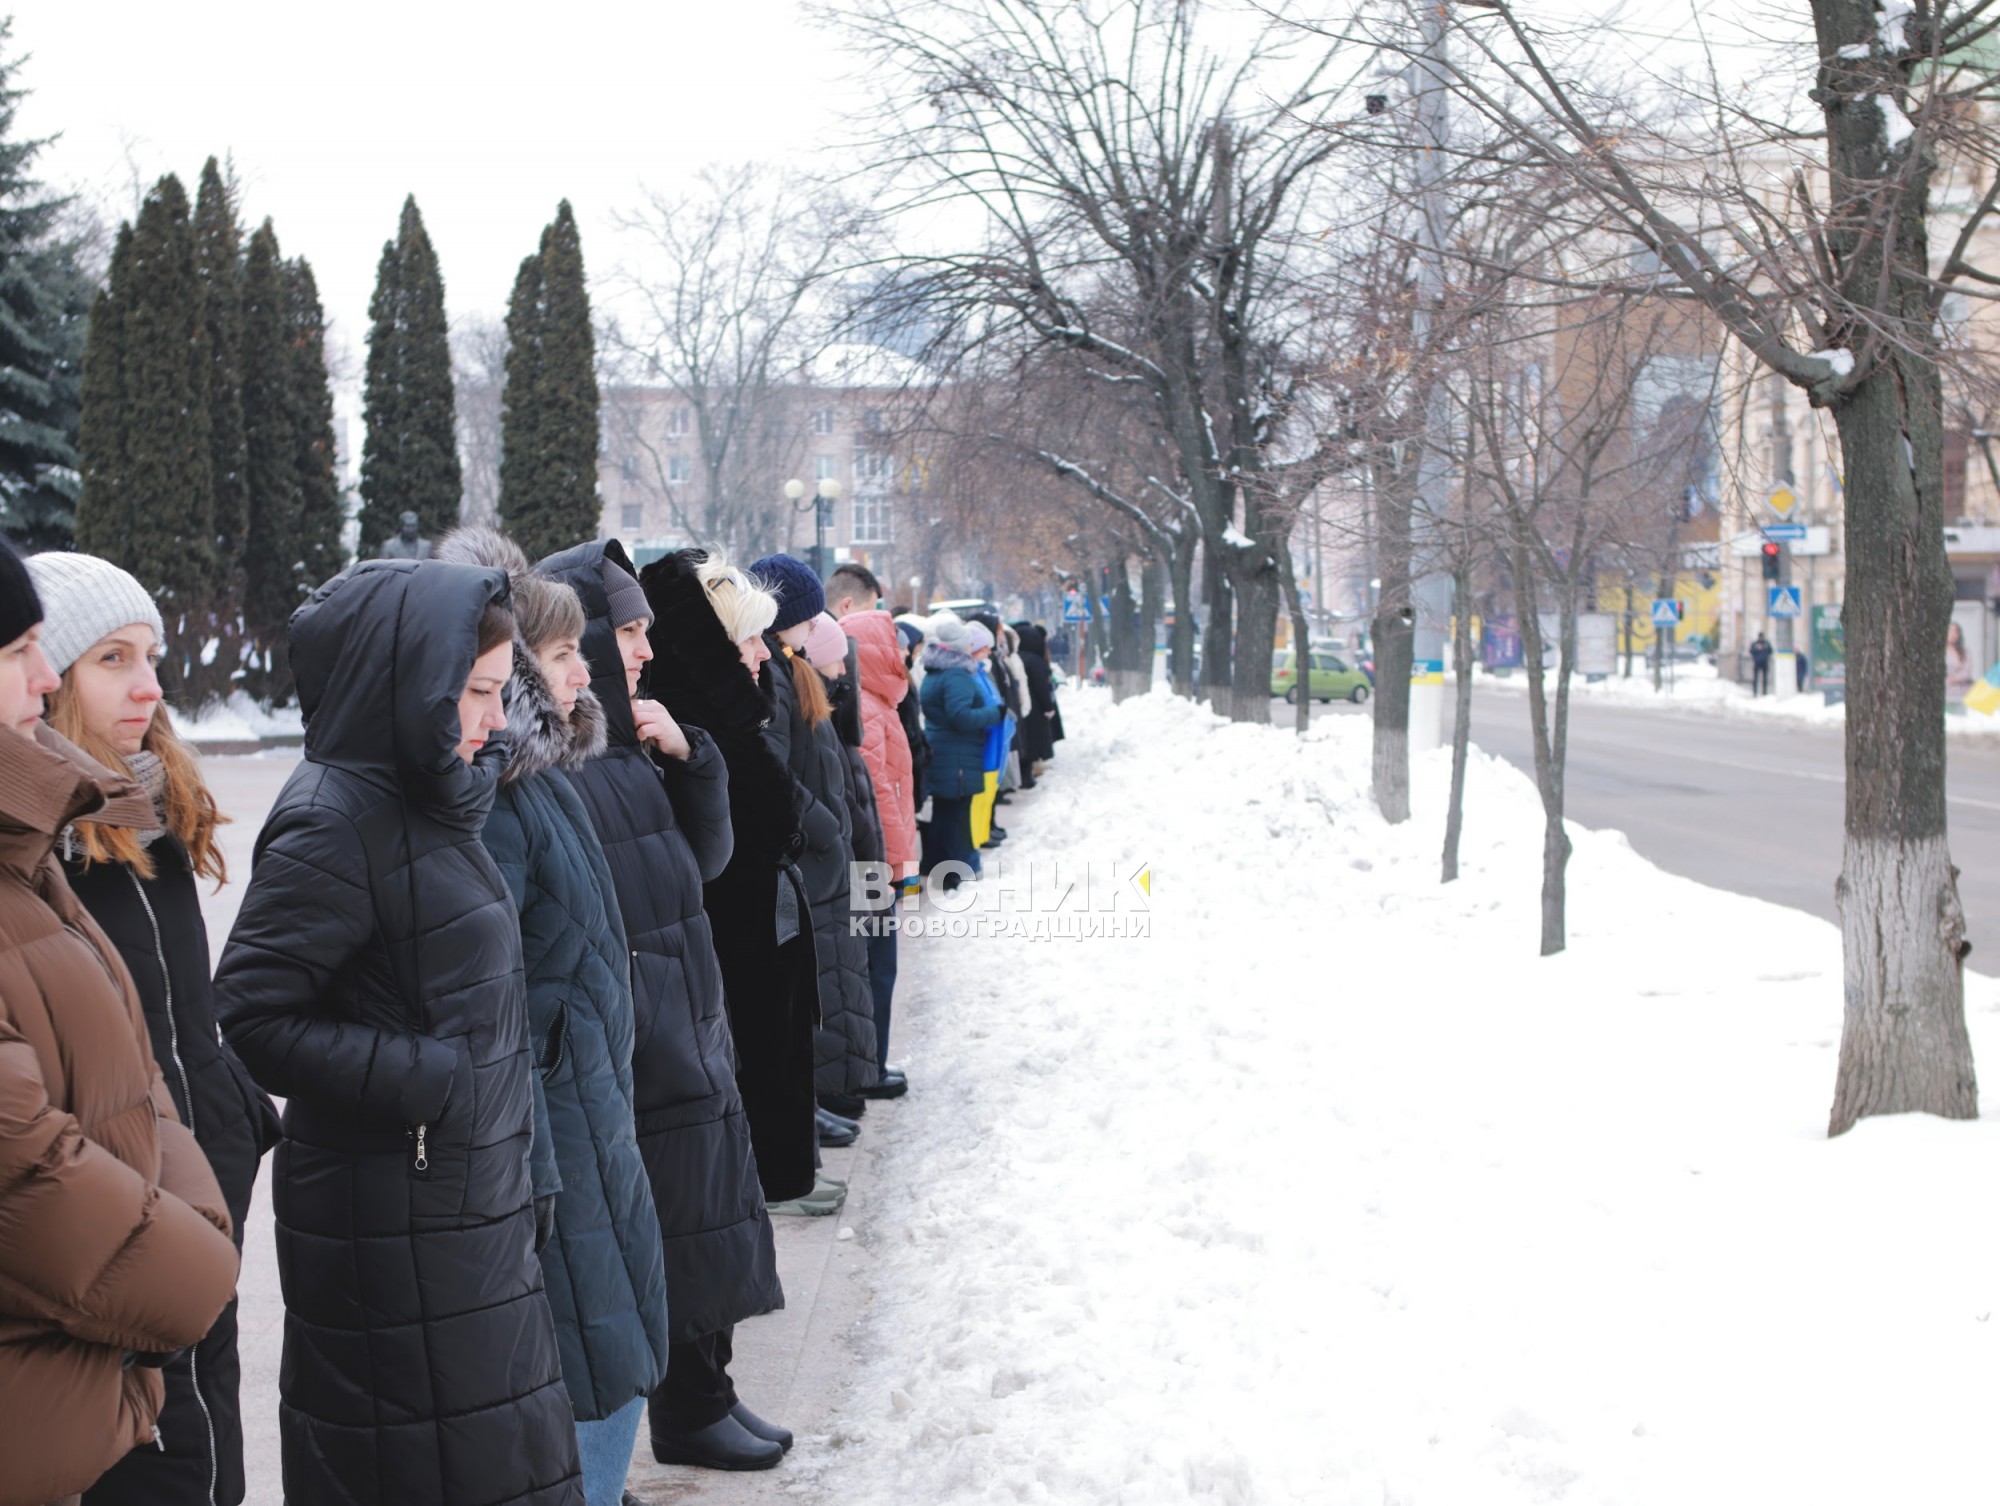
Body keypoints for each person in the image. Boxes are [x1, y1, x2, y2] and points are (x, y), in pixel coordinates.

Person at [214, 560, 584, 1506]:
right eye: (476, 692)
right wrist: (424, 1080)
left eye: (500, 693)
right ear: (406, 682)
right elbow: (251, 1012)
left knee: (493, 1459)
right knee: (420, 1464)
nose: (495, 720)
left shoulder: (440, 799)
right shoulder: (335, 819)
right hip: (389, 1217)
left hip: (465, 1203)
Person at [25, 553, 279, 1506]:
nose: (149, 685)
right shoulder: (41, 854)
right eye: (112, 659)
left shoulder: (149, 814)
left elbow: (183, 1014)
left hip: (197, 1202)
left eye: (153, 656)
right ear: (43, 681)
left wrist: (230, 1112)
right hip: (108, 1240)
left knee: (209, 1444)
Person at [536, 539, 789, 1475]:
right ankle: (681, 1411)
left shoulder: (626, 738)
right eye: (628, 629)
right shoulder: (566, 758)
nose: (643, 647)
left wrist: (693, 758)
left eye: (645, 626)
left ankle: (698, 1400)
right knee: (664, 1240)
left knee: (701, 1221)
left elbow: (703, 861)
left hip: (680, 1012)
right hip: (638, 1034)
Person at [434, 532, 673, 1503]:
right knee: (593, 1365)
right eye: (566, 654)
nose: (590, 671)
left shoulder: (545, 781)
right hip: (553, 1137)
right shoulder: (499, 799)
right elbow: (490, 995)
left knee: (614, 1351)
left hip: (589, 1116)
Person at [638, 550, 828, 1222]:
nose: (760, 655)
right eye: (744, 640)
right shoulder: (685, 740)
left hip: (751, 976)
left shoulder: (736, 732)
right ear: (706, 652)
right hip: (711, 1008)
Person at [749, 558, 878, 1135]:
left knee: (829, 976)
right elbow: (772, 769)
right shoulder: (773, 675)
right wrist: (824, 828)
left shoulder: (790, 669)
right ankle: (821, 1095)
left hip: (819, 856)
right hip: (806, 855)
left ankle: (834, 1087)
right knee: (813, 984)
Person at [834, 605, 917, 1090]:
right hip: (872, 865)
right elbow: (877, 794)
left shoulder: (873, 700)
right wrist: (895, 866)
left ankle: (874, 1062)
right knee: (874, 967)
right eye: (894, 641)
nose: (904, 651)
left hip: (876, 859)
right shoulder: (865, 704)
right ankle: (869, 1067)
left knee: (877, 964)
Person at [918, 614, 1005, 888]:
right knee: (955, 814)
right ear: (961, 647)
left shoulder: (937, 670)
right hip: (956, 755)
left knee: (945, 812)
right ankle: (951, 875)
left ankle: (938, 867)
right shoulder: (957, 674)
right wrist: (995, 713)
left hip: (945, 751)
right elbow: (960, 716)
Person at [1011, 620, 1059, 785]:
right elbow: (1042, 687)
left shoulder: (1016, 658)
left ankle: (1024, 776)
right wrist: (1048, 706)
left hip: (1021, 706)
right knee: (1031, 743)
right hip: (1035, 709)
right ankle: (1026, 777)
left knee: (1024, 743)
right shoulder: (1035, 661)